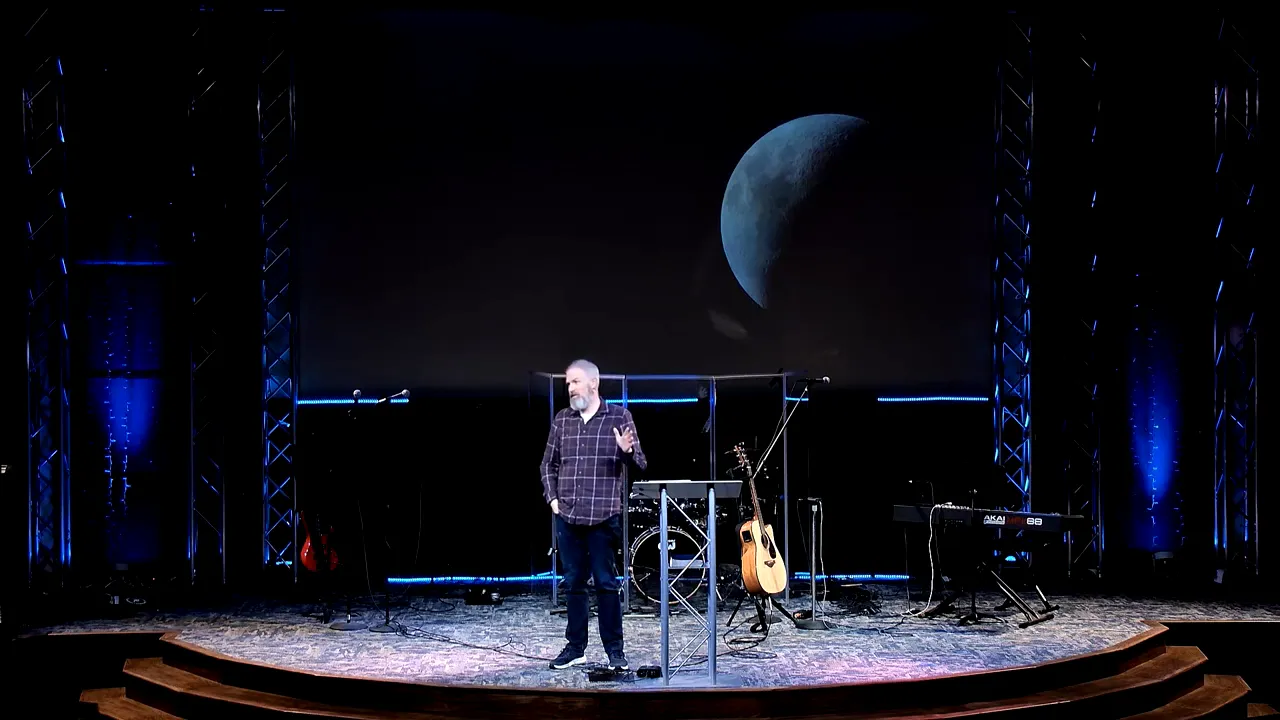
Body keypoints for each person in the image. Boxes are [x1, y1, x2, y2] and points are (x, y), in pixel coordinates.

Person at [540, 359, 647, 670]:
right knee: (573, 583)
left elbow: (640, 463)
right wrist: (553, 500)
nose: (570, 388)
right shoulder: (562, 420)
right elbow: (547, 464)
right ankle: (576, 648)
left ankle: (615, 651)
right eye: (568, 384)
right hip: (568, 516)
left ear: (593, 384)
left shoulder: (619, 417)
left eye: (575, 382)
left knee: (605, 583)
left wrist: (626, 450)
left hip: (603, 516)